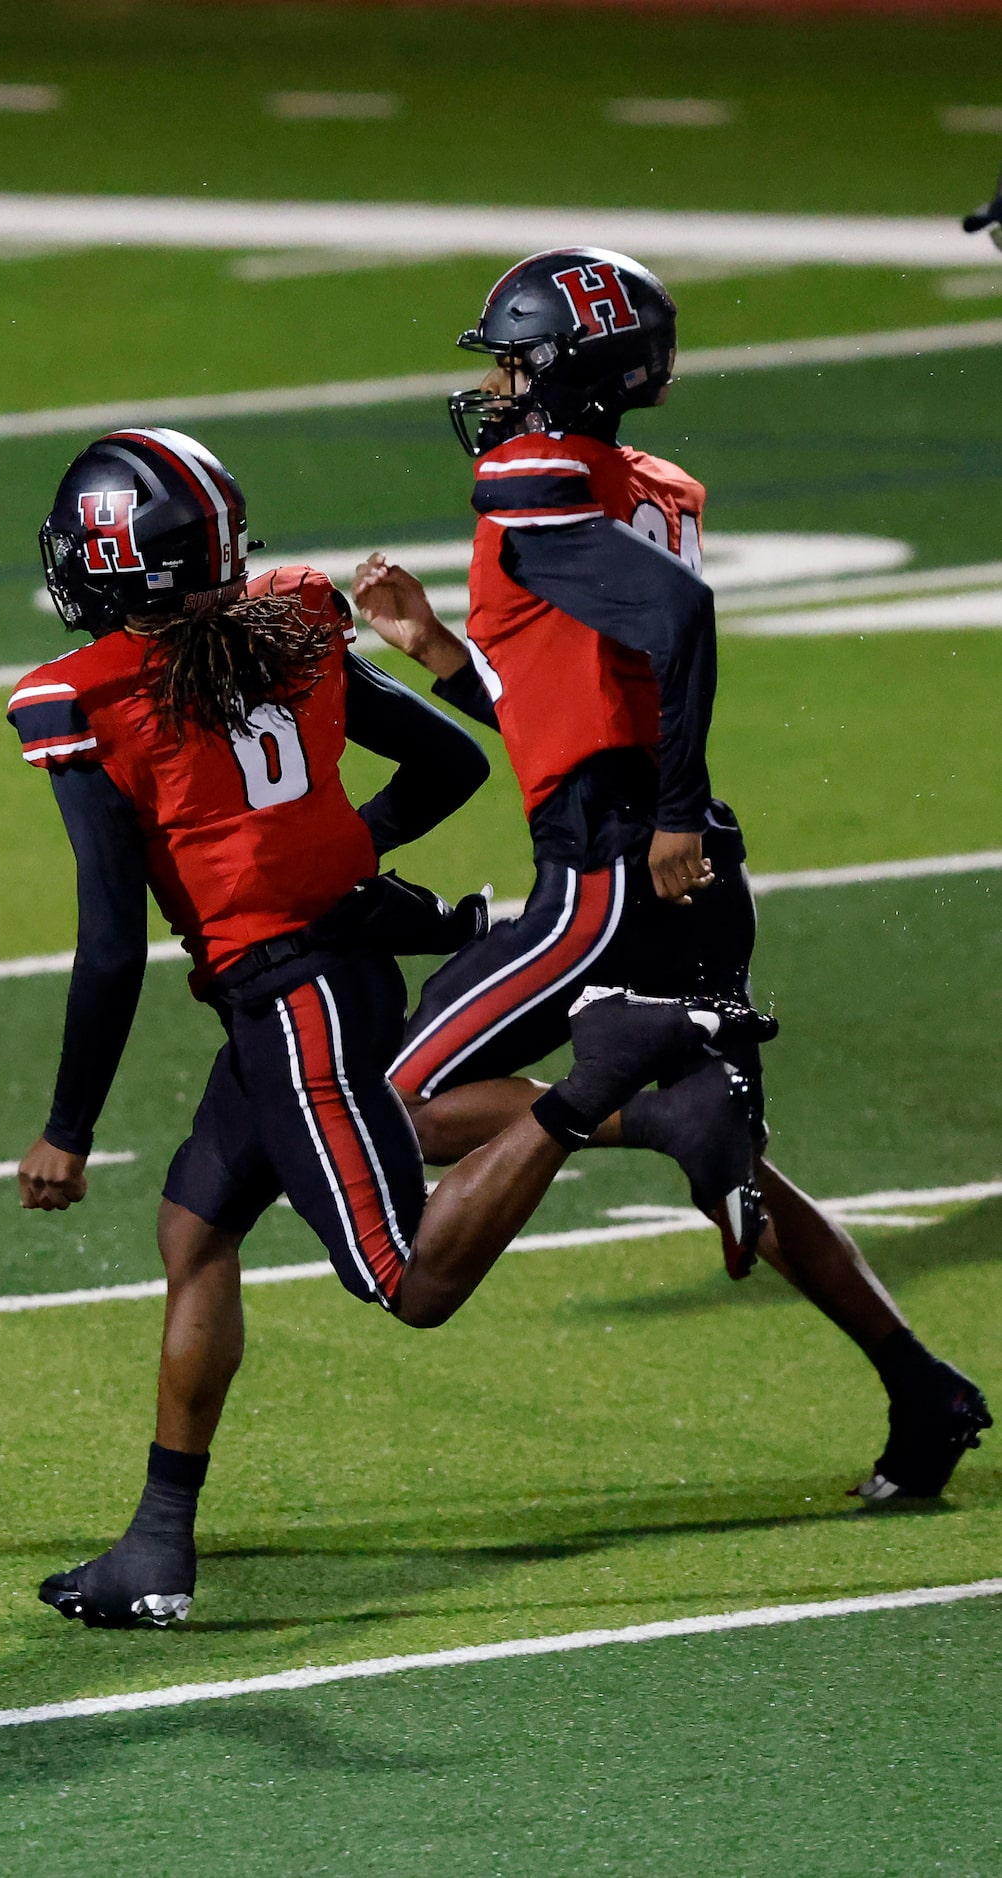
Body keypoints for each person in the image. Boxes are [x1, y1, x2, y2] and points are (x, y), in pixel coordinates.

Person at [7, 427, 767, 1629]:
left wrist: (66, 1129)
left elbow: (108, 944)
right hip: (331, 954)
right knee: (195, 1225)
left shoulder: (81, 701)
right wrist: (321, 859)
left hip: (290, 996)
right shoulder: (292, 616)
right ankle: (157, 1545)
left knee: (404, 1280)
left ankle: (598, 1084)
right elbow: (448, 768)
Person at [352, 248, 989, 1505]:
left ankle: (635, 1104)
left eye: (516, 357)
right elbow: (570, 705)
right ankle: (922, 1386)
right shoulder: (644, 486)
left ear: (570, 370)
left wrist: (674, 815)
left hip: (612, 863)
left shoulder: (532, 475)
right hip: (670, 848)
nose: (497, 380)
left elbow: (676, 634)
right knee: (738, 1161)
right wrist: (436, 647)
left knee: (396, 1107)